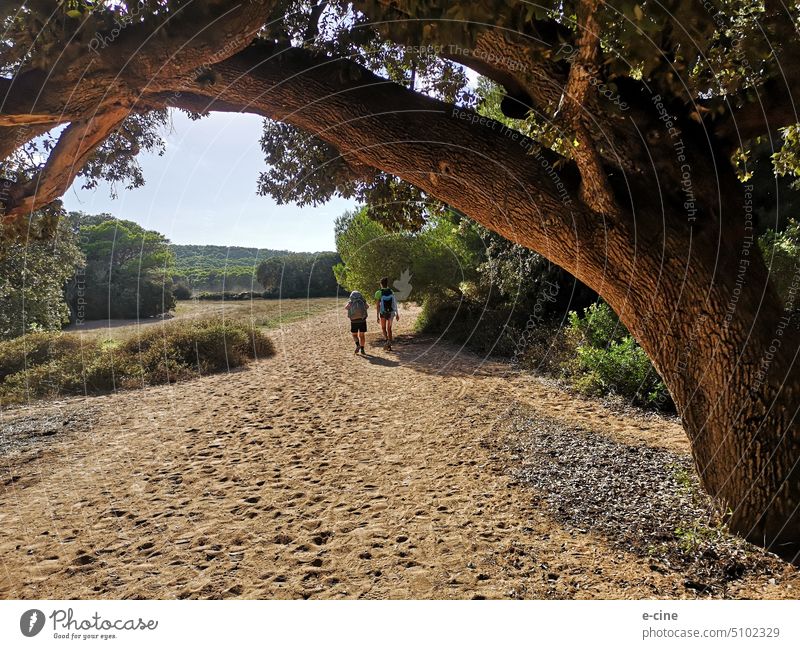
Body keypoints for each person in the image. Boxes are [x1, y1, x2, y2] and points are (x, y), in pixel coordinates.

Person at [375, 277, 399, 350]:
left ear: (381, 284)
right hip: (391, 312)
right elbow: (395, 303)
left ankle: (387, 341)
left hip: (383, 313)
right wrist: (397, 313)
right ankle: (389, 344)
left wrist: (377, 316)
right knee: (389, 329)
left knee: (383, 327)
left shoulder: (378, 293)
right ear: (387, 284)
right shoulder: (391, 291)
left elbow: (377, 305)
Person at [345, 290, 368, 354]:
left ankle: (358, 345)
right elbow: (367, 307)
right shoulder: (363, 301)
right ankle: (362, 349)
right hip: (362, 320)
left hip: (354, 321)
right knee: (362, 335)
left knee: (354, 335)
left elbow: (346, 308)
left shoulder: (351, 302)